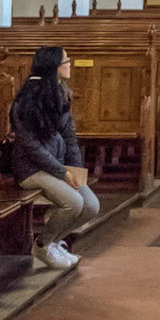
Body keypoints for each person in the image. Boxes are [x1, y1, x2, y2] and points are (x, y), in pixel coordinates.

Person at [9, 45, 99, 270]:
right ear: (53, 67)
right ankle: (42, 246)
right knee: (73, 203)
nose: (70, 64)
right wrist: (62, 172)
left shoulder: (62, 93)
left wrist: (76, 170)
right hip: (31, 168)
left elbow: (70, 137)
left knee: (91, 206)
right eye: (66, 60)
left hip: (58, 166)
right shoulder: (26, 101)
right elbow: (32, 147)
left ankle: (54, 242)